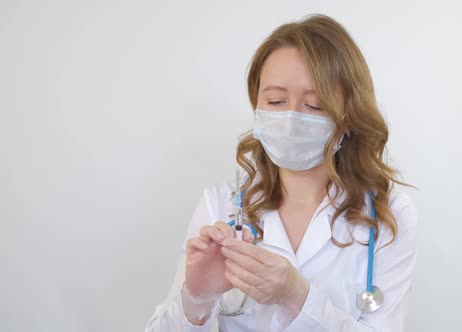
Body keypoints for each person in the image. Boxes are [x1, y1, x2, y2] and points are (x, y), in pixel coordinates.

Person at [145, 13, 418, 332]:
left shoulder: (389, 215)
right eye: (275, 100)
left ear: (348, 115)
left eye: (314, 106)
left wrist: (297, 297)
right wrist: (196, 299)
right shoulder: (218, 205)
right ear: (257, 106)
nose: (290, 119)